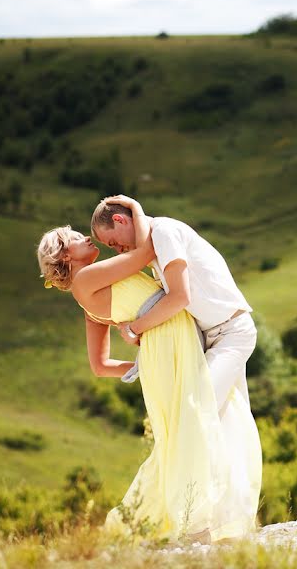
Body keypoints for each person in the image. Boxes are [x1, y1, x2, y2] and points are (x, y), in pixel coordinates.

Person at [36, 224, 258, 542]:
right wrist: (131, 207)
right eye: (75, 239)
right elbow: (148, 251)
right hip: (170, 342)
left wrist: (143, 365)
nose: (87, 237)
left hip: (168, 345)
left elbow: (100, 366)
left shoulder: (89, 293)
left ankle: (191, 519)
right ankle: (191, 524)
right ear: (65, 255)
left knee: (185, 432)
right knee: (188, 429)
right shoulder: (86, 278)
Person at [90, 195, 262, 536]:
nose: (116, 250)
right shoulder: (154, 245)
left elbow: (179, 297)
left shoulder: (165, 233)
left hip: (231, 333)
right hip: (210, 337)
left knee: (192, 414)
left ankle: (181, 521)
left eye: (113, 242)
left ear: (122, 222)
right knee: (225, 425)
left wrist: (135, 329)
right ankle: (221, 523)